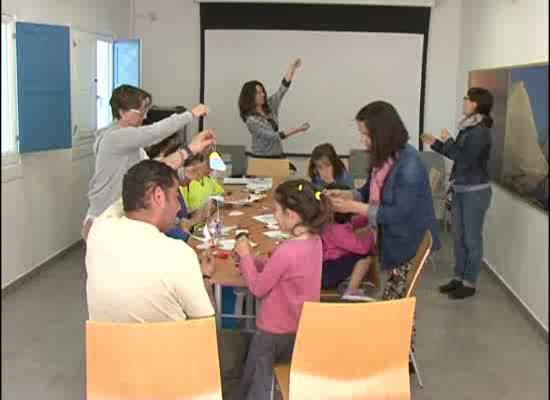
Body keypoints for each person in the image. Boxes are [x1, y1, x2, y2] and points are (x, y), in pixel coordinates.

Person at [326, 101, 441, 355]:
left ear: (382, 132)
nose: (362, 139)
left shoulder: (409, 165)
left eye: (366, 134)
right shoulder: (386, 158)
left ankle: (397, 359)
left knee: (396, 308)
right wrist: (347, 195)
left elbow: (399, 213)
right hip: (389, 238)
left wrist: (355, 209)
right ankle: (394, 354)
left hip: (406, 242)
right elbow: (369, 191)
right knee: (394, 305)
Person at [86, 160, 216, 322]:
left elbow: (131, 193)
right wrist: (204, 278)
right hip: (169, 347)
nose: (177, 207)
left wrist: (179, 175)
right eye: (176, 197)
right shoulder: (179, 254)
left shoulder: (98, 230)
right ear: (159, 196)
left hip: (108, 346)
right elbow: (206, 328)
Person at [234, 179, 328, 400]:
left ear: (292, 216)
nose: (274, 215)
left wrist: (246, 255)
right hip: (300, 326)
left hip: (273, 331)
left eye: (276, 211)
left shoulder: (286, 250)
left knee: (260, 382)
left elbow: (257, 289)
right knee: (282, 378)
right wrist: (256, 262)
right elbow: (288, 274)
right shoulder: (315, 242)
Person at [84, 84, 213, 235]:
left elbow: (153, 170)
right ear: (122, 112)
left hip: (118, 215)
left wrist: (190, 171)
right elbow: (155, 132)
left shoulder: (133, 145)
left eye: (146, 111)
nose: (144, 117)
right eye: (140, 111)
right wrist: (191, 115)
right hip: (104, 218)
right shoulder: (114, 137)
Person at [422, 87, 494, 299]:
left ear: (476, 104)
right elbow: (455, 154)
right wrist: (435, 143)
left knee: (471, 239)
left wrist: (448, 140)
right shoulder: (469, 127)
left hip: (475, 192)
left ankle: (469, 283)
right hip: (462, 189)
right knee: (458, 237)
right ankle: (458, 278)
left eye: (467, 99)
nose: (464, 101)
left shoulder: (480, 131)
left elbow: (464, 158)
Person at [238, 58, 310, 171]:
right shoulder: (251, 120)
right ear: (250, 96)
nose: (262, 94)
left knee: (290, 174)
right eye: (258, 93)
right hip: (261, 160)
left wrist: (292, 68)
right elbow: (274, 136)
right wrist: (299, 129)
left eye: (262, 91)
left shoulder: (270, 106)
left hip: (277, 156)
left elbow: (282, 90)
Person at [321, 183, 376, 300]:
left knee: (353, 257)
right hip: (328, 272)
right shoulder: (336, 230)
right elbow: (362, 248)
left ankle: (346, 284)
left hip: (328, 267)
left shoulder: (332, 224)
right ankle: (351, 290)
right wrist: (371, 231)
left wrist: (370, 215)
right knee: (365, 257)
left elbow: (356, 221)